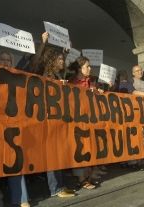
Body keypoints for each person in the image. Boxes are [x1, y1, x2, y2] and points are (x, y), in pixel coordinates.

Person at [0, 50, 30, 207]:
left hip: (11, 126)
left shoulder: (17, 78)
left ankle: (21, 199)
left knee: (15, 160)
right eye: (2, 59)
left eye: (8, 60)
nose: (5, 63)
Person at [39, 47, 76, 198]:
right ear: (52, 61)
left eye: (63, 59)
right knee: (53, 155)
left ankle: (61, 186)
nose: (62, 61)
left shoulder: (58, 74)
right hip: (50, 120)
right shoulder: (47, 75)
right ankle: (55, 188)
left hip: (59, 119)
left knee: (58, 154)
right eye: (60, 59)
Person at [68, 56, 98, 190]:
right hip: (77, 121)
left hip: (89, 121)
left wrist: (98, 92)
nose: (90, 68)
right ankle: (81, 179)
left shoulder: (90, 82)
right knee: (80, 148)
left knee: (89, 148)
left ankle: (87, 176)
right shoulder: (73, 82)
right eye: (87, 66)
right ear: (80, 68)